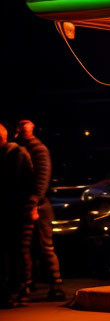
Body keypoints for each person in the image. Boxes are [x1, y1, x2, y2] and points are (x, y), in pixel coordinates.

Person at [15, 120, 64, 301]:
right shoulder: (25, 148)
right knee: (27, 247)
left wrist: (34, 201)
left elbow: (42, 176)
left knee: (44, 246)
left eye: (22, 129)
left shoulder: (37, 149)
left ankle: (55, 285)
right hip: (33, 203)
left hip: (38, 205)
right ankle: (29, 284)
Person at [1, 124, 35, 307]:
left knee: (15, 251)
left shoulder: (17, 154)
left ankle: (16, 288)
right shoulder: (15, 154)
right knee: (12, 251)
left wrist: (30, 206)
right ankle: (12, 289)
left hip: (14, 210)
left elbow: (29, 182)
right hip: (12, 209)